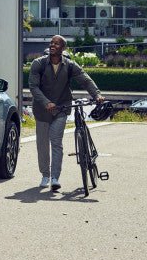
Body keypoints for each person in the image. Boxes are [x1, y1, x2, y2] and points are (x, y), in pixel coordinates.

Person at [28, 35, 104, 191]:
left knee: (56, 143)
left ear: (63, 48)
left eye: (57, 43)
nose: (52, 45)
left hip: (61, 109)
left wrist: (96, 94)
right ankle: (45, 175)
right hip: (42, 110)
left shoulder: (69, 65)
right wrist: (46, 102)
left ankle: (55, 178)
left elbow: (85, 80)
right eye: (51, 43)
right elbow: (33, 87)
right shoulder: (39, 64)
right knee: (42, 145)